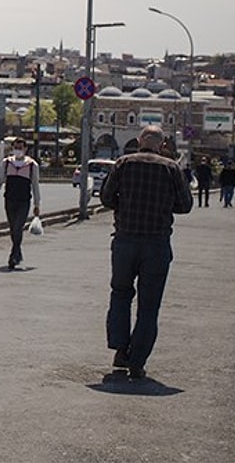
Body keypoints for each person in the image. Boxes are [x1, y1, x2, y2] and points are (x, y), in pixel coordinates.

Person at [100, 125, 193, 379]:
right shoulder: (171, 168)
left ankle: (120, 349)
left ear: (140, 140)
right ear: (162, 145)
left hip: (125, 241)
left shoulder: (123, 163)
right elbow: (185, 205)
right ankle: (137, 361)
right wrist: (163, 206)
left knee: (120, 294)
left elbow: (106, 198)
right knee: (149, 306)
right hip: (156, 244)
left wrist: (125, 206)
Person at [0, 137, 41, 270]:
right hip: (10, 200)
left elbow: (35, 185)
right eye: (16, 147)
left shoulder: (31, 165)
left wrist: (37, 204)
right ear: (12, 148)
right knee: (13, 228)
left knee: (18, 227)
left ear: (25, 149)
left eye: (21, 147)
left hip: (24, 201)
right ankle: (17, 253)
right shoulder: (6, 163)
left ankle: (13, 255)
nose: (18, 150)